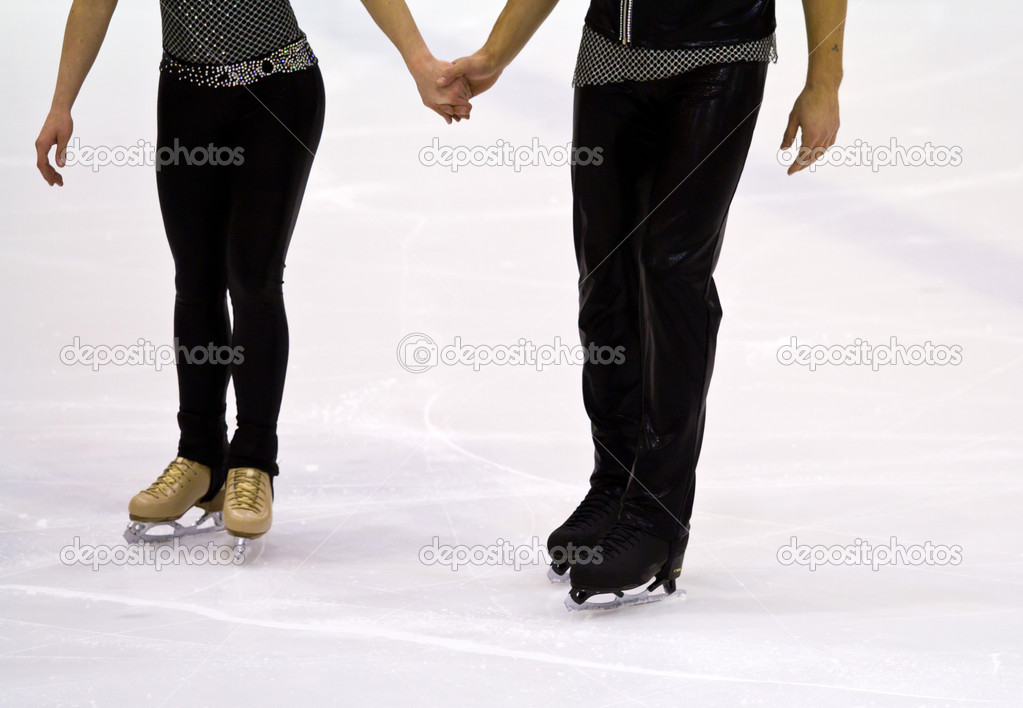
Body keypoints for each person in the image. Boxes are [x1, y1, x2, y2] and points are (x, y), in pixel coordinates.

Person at [439, 0, 845, 608]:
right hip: (611, 56)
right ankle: (615, 485)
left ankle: (657, 515)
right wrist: (496, 53)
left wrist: (824, 80)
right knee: (605, 272)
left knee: (672, 269)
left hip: (720, 57)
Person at [35, 0, 472, 552]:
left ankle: (253, 463)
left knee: (252, 277)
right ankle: (200, 459)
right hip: (187, 95)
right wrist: (61, 103)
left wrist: (418, 61)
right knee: (194, 280)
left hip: (277, 92)